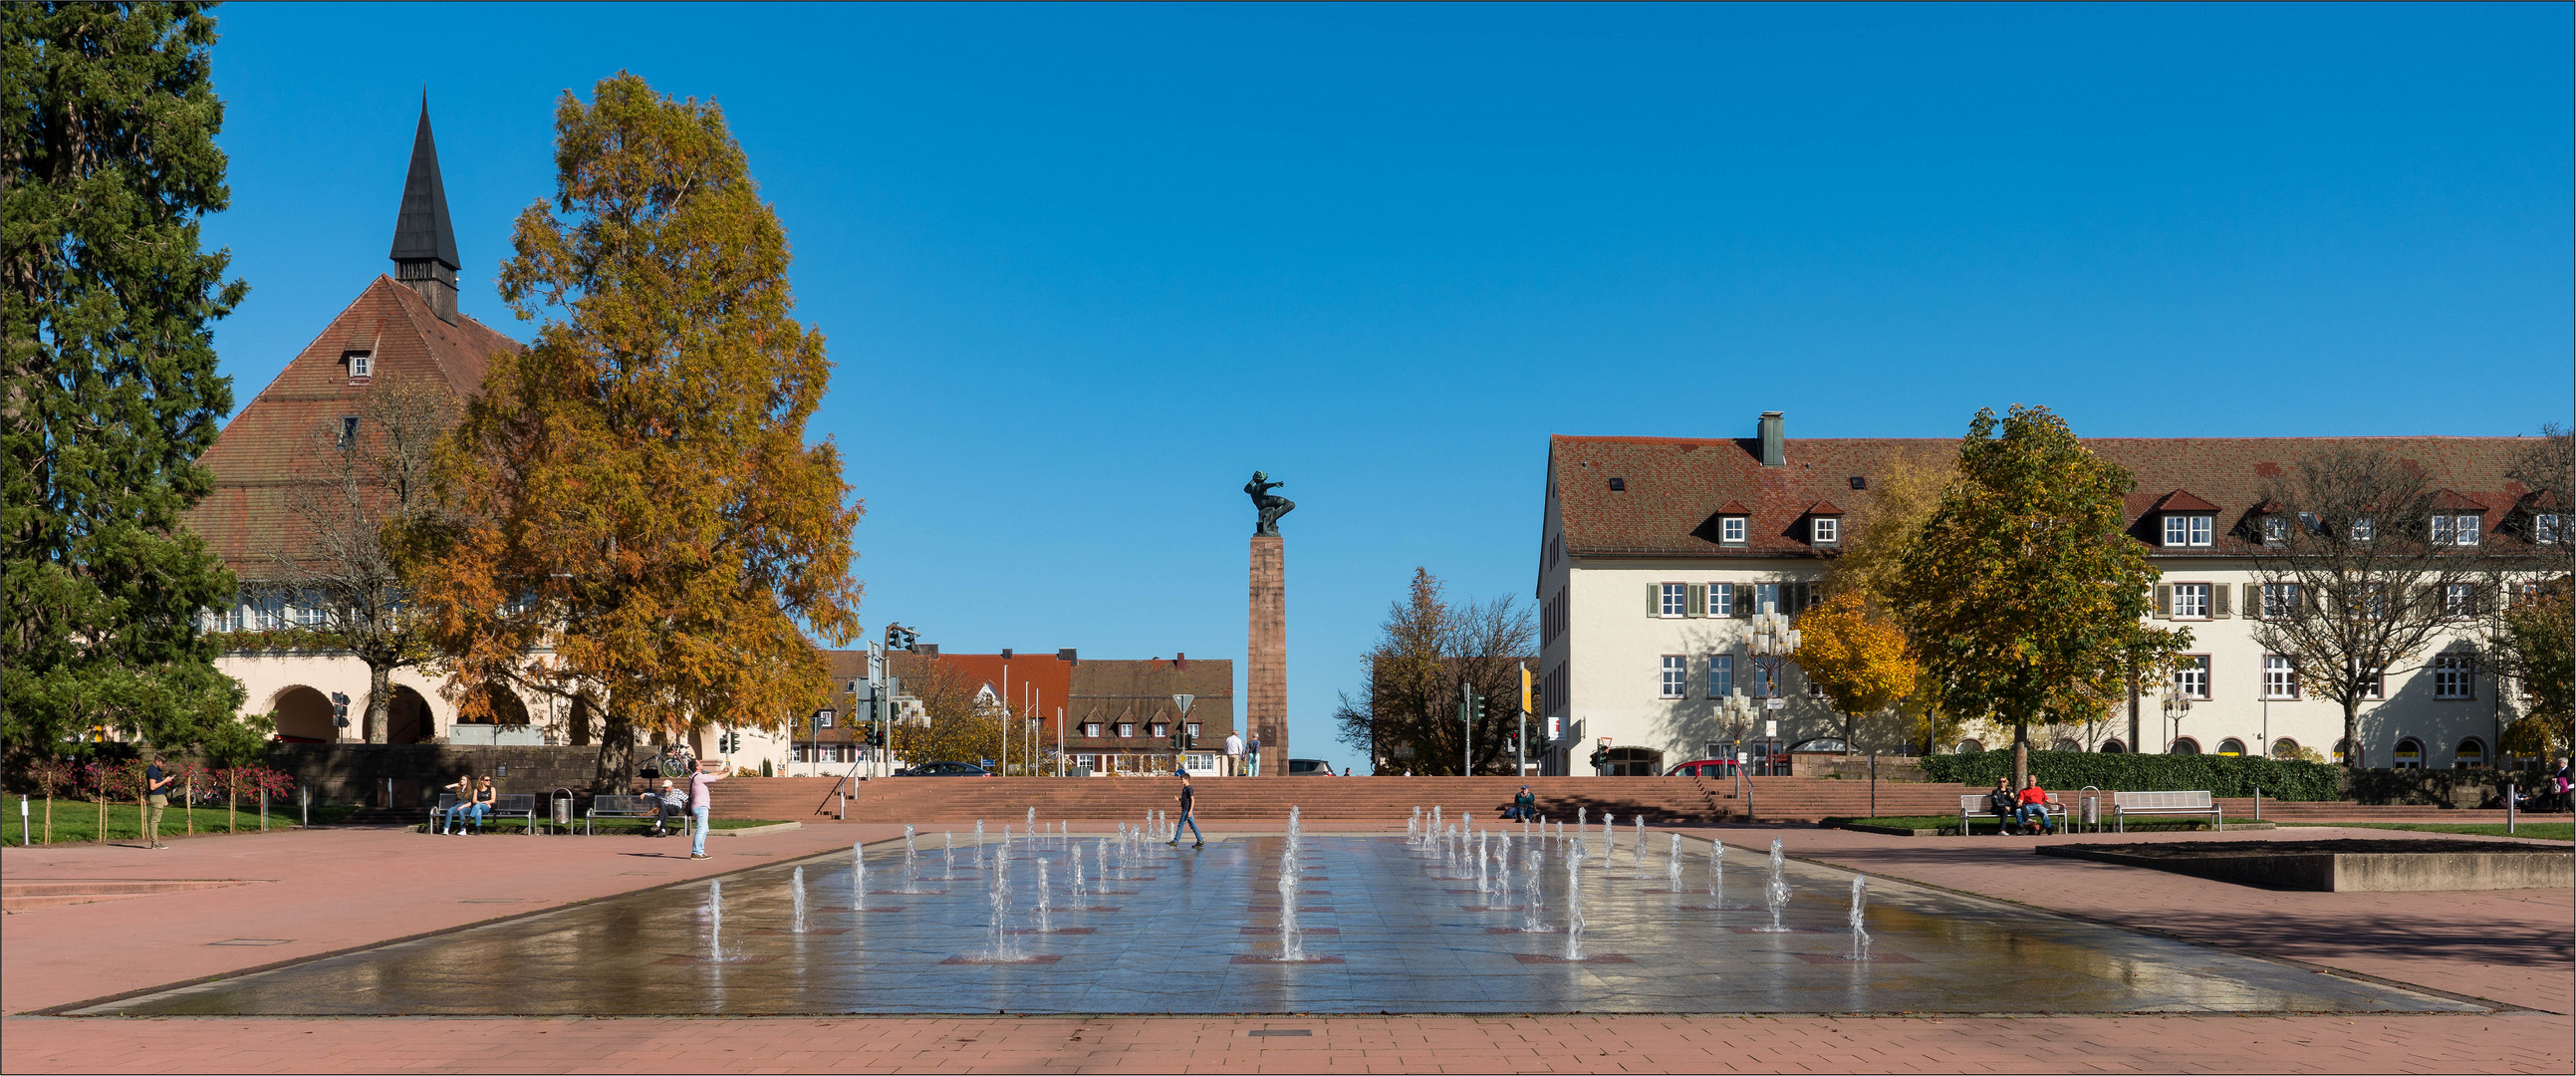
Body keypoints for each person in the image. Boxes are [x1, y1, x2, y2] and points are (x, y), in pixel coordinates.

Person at [687, 757, 732, 859]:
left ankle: (700, 851)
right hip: (701, 806)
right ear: (697, 767)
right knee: (701, 829)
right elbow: (718, 778)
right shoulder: (699, 777)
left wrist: (722, 771)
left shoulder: (694, 776)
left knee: (704, 829)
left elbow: (709, 775)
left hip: (698, 806)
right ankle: (696, 852)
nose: (701, 763)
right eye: (700, 763)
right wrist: (729, 772)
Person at [142, 754, 175, 849]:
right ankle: (155, 842)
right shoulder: (152, 770)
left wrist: (164, 798)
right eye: (162, 763)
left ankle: (155, 842)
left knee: (157, 819)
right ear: (157, 761)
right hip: (156, 797)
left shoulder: (157, 770)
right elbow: (152, 786)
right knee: (155, 820)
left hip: (160, 796)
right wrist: (165, 781)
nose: (163, 765)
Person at [1166, 772, 1204, 847]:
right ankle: (1200, 840)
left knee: (1180, 825)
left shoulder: (1189, 788)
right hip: (1186, 809)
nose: (1180, 781)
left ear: (1186, 780)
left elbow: (1192, 800)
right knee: (1193, 825)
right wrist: (1179, 799)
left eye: (1182, 779)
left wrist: (1190, 811)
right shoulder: (1185, 788)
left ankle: (1175, 842)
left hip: (1187, 810)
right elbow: (1186, 800)